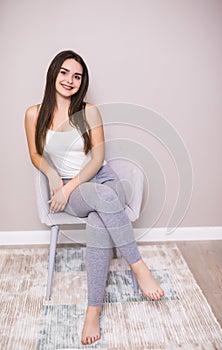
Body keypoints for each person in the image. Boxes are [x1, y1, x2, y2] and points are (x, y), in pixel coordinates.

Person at [25, 50, 164, 345]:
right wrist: (53, 177)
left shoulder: (89, 111)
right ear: (53, 73)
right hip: (72, 188)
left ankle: (94, 309)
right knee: (101, 205)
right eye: (64, 72)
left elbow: (98, 157)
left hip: (102, 179)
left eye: (77, 76)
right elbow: (36, 155)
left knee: (100, 216)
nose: (69, 80)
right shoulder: (33, 113)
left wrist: (68, 187)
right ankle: (138, 267)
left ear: (82, 82)